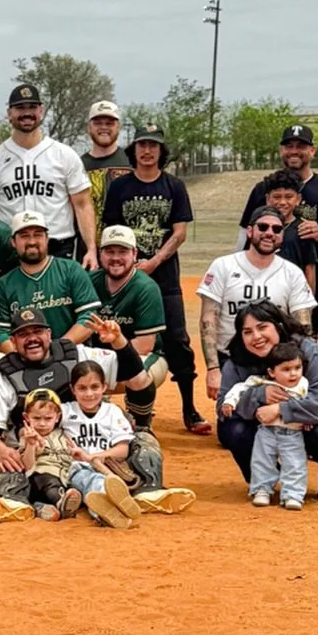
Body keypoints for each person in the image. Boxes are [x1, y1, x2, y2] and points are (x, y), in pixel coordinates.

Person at [0, 305, 161, 494]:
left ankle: (149, 492)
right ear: (13, 342)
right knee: (6, 465)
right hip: (39, 450)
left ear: (49, 334)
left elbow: (132, 372)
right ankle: (20, 501)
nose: (32, 338)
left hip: (90, 444)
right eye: (24, 335)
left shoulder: (75, 354)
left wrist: (118, 341)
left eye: (37, 331)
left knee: (143, 441)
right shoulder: (6, 374)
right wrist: (1, 451)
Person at [104, 123, 210, 434]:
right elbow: (110, 231)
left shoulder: (173, 186)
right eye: (141, 145)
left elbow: (180, 232)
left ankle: (189, 408)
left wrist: (154, 261)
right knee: (122, 335)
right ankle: (127, 404)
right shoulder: (120, 188)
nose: (147, 150)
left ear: (162, 151)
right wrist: (126, 264)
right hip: (126, 276)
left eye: (153, 145)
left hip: (164, 275)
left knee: (177, 339)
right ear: (133, 150)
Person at [215, 301, 318, 504]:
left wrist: (280, 409)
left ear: (278, 325)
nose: (256, 337)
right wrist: (259, 396)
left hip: (308, 422)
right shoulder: (237, 360)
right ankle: (264, 480)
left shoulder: (306, 350)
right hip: (266, 429)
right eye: (247, 332)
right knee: (232, 430)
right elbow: (222, 408)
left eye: (262, 327)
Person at [197, 207, 316, 403]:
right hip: (231, 359)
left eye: (277, 229)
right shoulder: (223, 266)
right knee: (234, 430)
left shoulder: (292, 272)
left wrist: (303, 364)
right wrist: (213, 369)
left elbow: (303, 326)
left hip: (276, 360)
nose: (270, 233)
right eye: (263, 227)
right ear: (250, 231)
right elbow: (208, 319)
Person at [238, 124, 318, 337]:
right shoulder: (264, 188)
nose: (294, 151)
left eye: (301, 146)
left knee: (303, 337)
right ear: (281, 151)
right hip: (261, 276)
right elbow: (245, 233)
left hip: (308, 272)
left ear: (312, 151)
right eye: (289, 146)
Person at [0, 82, 98, 264]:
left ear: (41, 111)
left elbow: (82, 205)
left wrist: (91, 249)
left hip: (58, 245)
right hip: (11, 248)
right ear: (9, 113)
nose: (26, 113)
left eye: (32, 107)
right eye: (20, 108)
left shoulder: (64, 155)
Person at [89, 225, 167, 425]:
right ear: (100, 254)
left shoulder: (146, 288)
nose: (116, 258)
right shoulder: (89, 282)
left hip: (140, 355)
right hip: (99, 357)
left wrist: (101, 362)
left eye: (122, 251)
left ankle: (140, 421)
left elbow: (145, 344)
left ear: (134, 254)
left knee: (137, 372)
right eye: (109, 251)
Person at [0, 210, 102, 347]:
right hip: (27, 359)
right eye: (24, 236)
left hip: (72, 352)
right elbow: (1, 332)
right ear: (13, 242)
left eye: (38, 235)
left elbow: (89, 317)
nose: (32, 241)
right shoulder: (5, 283)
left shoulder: (71, 269)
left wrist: (58, 348)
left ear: (47, 238)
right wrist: (21, 356)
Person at [222, 341, 311, 509]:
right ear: (271, 372)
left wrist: (308, 420)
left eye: (297, 368)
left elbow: (310, 405)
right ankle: (262, 489)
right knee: (261, 461)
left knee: (295, 463)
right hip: (266, 431)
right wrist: (229, 402)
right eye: (285, 369)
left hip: (293, 433)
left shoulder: (304, 384)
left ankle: (293, 495)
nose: (293, 374)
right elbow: (239, 388)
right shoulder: (260, 382)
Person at [60, 360, 146, 529]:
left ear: (104, 386)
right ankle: (104, 512)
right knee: (92, 481)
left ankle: (112, 509)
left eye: (94, 387)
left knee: (103, 481)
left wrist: (93, 457)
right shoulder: (64, 411)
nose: (89, 394)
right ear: (72, 389)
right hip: (77, 468)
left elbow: (122, 450)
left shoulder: (112, 411)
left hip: (108, 467)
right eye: (82, 388)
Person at [0, 386, 77, 521]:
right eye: (37, 418)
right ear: (27, 417)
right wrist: (31, 445)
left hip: (64, 479)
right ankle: (61, 503)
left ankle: (40, 509)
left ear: (57, 417)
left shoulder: (64, 434)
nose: (42, 423)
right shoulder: (28, 436)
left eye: (48, 418)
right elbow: (27, 466)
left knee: (66, 483)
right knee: (46, 480)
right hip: (38, 481)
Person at [250, 168, 318, 291]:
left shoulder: (302, 229)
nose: (282, 202)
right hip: (262, 292)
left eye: (288, 197)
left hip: (292, 293)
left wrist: (308, 301)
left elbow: (309, 269)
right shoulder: (259, 227)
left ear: (298, 199)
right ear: (267, 199)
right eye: (276, 197)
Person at [81, 99, 131, 232]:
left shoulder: (132, 162)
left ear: (118, 127)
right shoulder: (77, 165)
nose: (104, 127)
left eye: (109, 123)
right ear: (89, 127)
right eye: (98, 123)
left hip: (125, 245)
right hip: (88, 247)